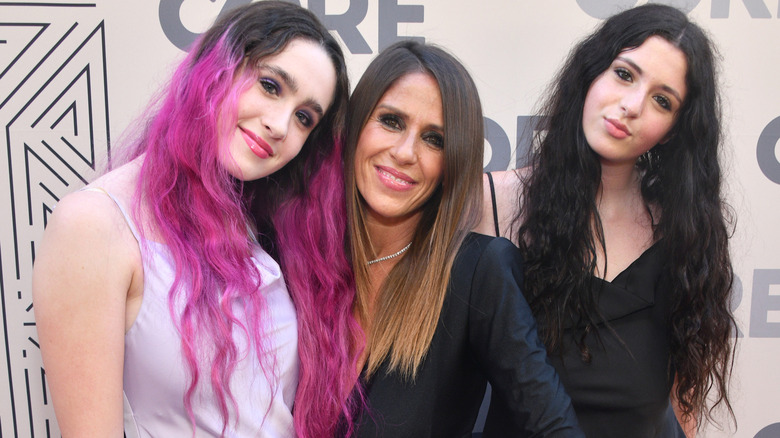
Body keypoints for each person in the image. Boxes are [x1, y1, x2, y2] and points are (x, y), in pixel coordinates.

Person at [32, 2, 358, 437]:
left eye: (304, 118)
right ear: (215, 68)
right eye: (270, 85)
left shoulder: (263, 229)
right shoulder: (94, 226)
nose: (281, 125)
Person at [476, 4, 736, 437]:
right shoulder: (491, 203)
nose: (631, 106)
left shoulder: (685, 233)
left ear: (672, 130)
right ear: (591, 73)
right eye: (624, 74)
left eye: (661, 100)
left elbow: (681, 401)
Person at [342, 40, 583, 437]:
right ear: (355, 126)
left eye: (434, 139)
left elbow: (553, 425)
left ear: (453, 162)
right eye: (391, 121)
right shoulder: (298, 256)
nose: (405, 152)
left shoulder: (476, 272)